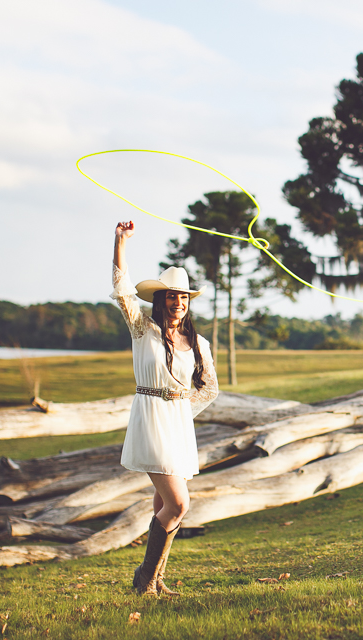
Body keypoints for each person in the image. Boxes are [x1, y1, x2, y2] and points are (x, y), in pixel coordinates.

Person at [111, 220, 219, 595]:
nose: (177, 303)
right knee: (178, 504)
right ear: (160, 299)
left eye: (183, 297)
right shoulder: (143, 329)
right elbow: (122, 289)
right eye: (171, 296)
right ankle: (143, 578)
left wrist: (181, 409)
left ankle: (155, 581)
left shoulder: (197, 341)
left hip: (177, 424)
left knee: (165, 504)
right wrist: (120, 242)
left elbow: (209, 388)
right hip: (150, 418)